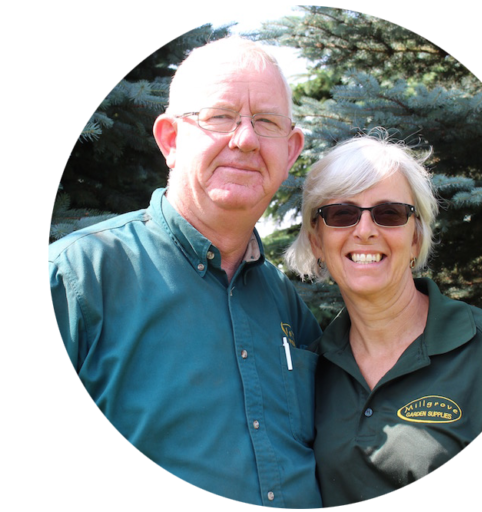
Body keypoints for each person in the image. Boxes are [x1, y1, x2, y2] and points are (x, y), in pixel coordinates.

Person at [49, 37, 323, 509]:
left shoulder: (285, 304)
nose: (245, 139)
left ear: (291, 150)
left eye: (267, 121)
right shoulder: (76, 280)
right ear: (171, 139)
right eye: (220, 116)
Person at [285, 133, 482, 507]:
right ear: (317, 240)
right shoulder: (312, 369)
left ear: (416, 238)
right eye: (342, 214)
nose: (365, 230)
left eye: (389, 213)